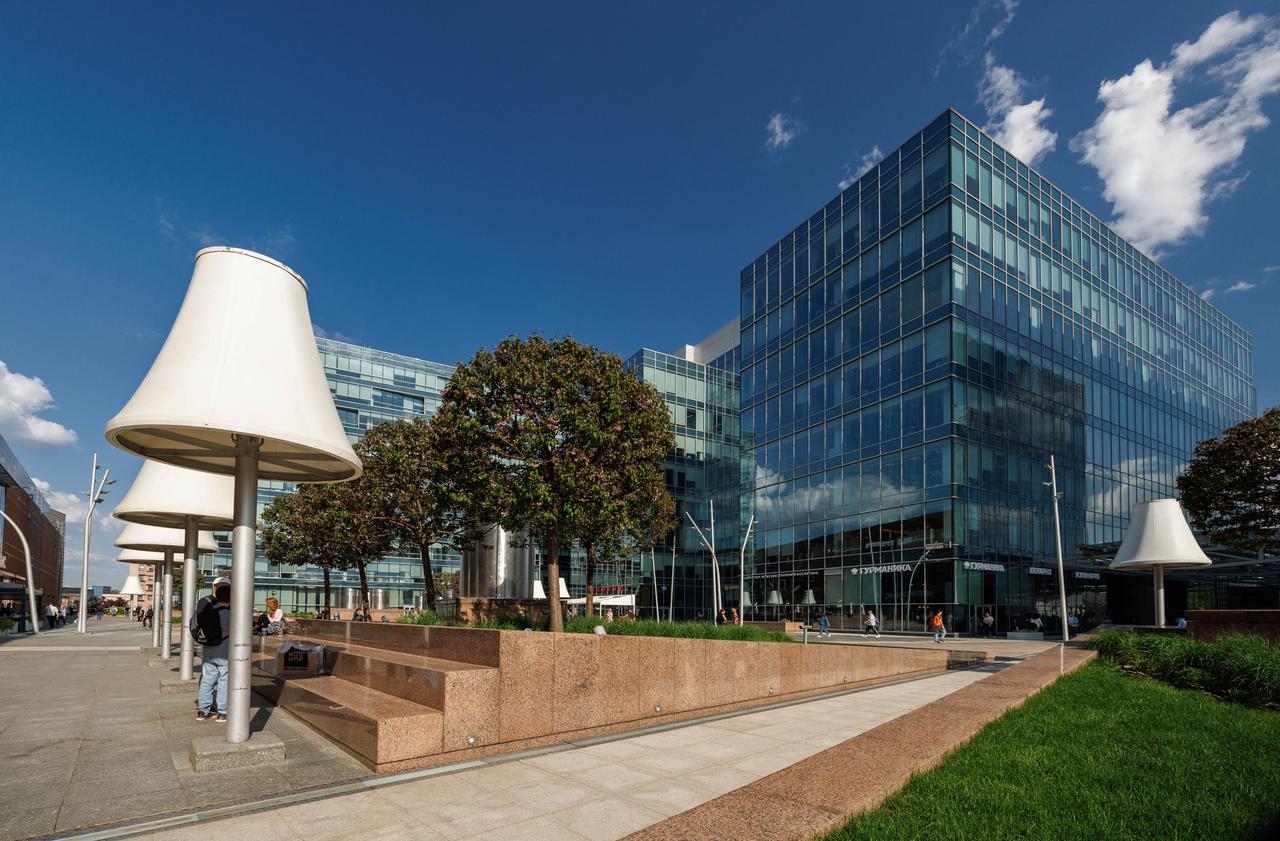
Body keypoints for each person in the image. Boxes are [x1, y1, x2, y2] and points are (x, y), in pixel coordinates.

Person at [196, 577, 232, 723]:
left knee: (207, 681)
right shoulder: (230, 614)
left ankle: (202, 711)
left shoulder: (208, 612)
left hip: (209, 651)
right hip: (225, 653)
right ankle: (222, 712)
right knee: (224, 681)